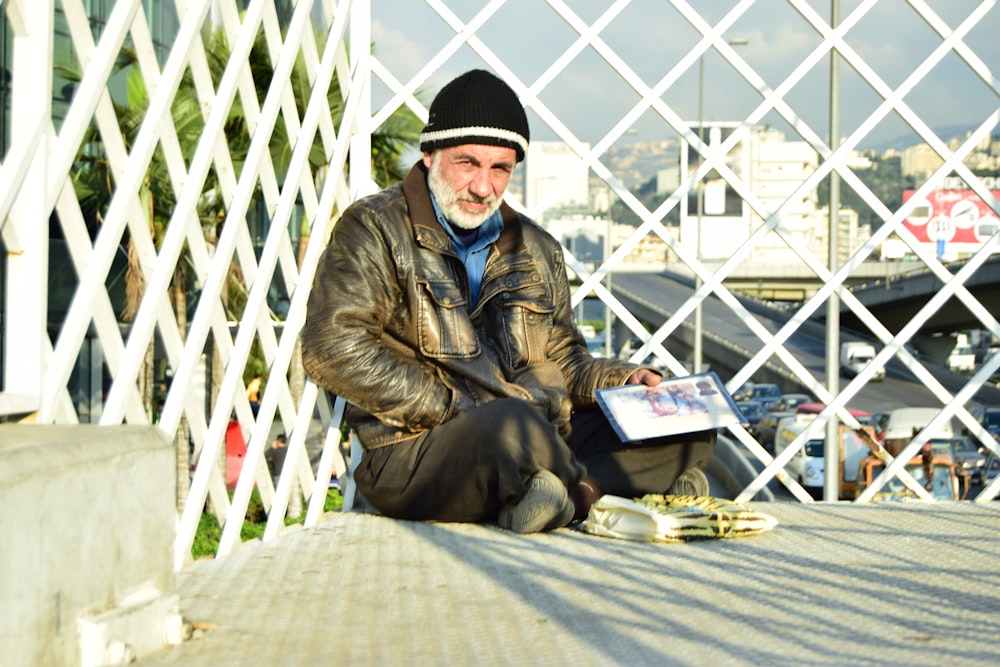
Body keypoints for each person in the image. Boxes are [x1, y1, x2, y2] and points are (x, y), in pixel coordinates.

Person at [301, 69, 715, 533]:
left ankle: (560, 495)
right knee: (511, 427)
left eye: (500, 168)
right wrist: (454, 405)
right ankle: (604, 492)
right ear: (430, 155)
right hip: (421, 445)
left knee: (688, 422)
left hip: (538, 432)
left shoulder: (535, 248)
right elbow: (333, 347)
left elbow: (564, 360)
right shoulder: (374, 228)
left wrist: (628, 381)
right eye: (467, 163)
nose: (483, 186)